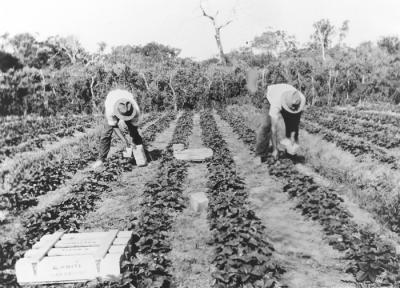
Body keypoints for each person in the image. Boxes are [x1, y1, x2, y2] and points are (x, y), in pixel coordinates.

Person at [91, 89, 143, 169]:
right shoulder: (110, 109)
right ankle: (100, 160)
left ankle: (140, 156)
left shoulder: (135, 110)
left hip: (126, 99)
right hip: (112, 100)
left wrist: (131, 140)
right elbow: (114, 126)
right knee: (106, 133)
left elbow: (133, 128)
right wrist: (125, 141)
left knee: (135, 134)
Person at [257, 83, 306, 160]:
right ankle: (261, 153)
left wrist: (292, 141)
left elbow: (295, 124)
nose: (292, 110)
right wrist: (275, 150)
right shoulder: (276, 102)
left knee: (293, 128)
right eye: (291, 108)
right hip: (270, 98)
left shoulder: (300, 99)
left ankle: (290, 153)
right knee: (265, 125)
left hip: (287, 99)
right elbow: (274, 129)